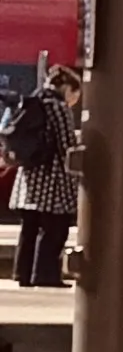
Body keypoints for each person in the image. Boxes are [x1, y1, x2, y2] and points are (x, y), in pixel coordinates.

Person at [5, 55, 74, 287]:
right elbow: (67, 147)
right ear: (67, 88)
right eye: (76, 95)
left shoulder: (32, 102)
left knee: (29, 229)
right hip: (51, 182)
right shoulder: (58, 107)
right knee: (53, 230)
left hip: (27, 181)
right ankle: (45, 276)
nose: (74, 101)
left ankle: (22, 275)